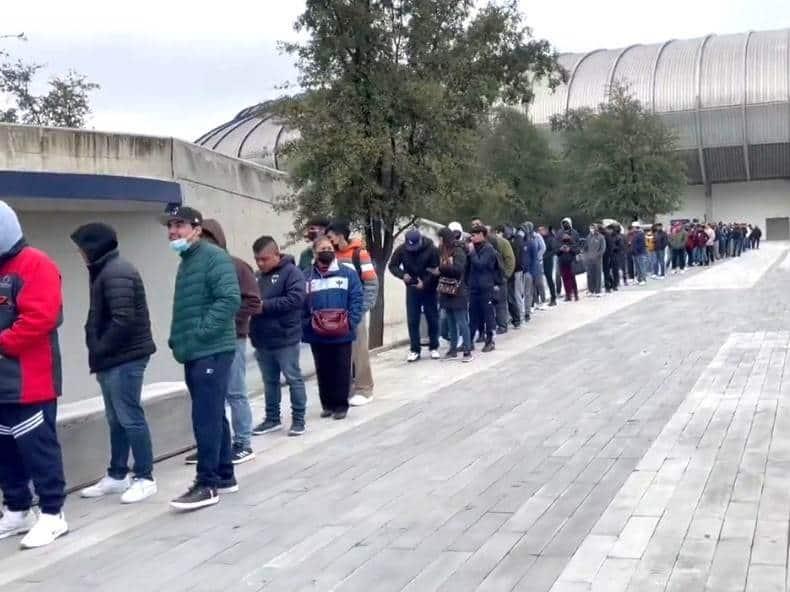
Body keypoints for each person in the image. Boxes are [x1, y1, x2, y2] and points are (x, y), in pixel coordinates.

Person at [71, 223, 158, 504]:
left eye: (81, 248)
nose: (80, 254)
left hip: (125, 358)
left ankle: (145, 477)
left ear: (94, 247)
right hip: (112, 359)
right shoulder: (104, 271)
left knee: (130, 416)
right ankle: (118, 474)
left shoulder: (116, 272)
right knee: (116, 418)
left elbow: (123, 320)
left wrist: (99, 347)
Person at [162, 205, 241, 511]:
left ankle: (206, 484)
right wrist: (178, 338)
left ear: (197, 229)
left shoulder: (213, 257)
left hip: (211, 349)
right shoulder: (188, 261)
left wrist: (200, 333)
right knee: (213, 414)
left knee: (204, 417)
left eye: (179, 225)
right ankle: (225, 475)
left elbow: (229, 299)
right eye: (170, 226)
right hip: (196, 350)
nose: (173, 231)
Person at [0, 201, 68, 549]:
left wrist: (2, 343)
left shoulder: (36, 264)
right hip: (3, 386)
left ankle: (53, 513)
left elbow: (40, 318)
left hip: (31, 381)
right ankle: (17, 508)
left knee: (38, 449)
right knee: (6, 451)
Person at [195, 219, 262, 464]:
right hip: (205, 341)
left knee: (235, 391)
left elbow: (253, 301)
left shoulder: (236, 266)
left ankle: (243, 443)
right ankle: (215, 445)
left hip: (232, 338)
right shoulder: (197, 268)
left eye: (204, 239)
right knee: (212, 395)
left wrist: (227, 319)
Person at [249, 236, 307, 437]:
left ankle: (298, 420)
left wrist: (265, 306)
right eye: (257, 259)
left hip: (285, 337)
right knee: (269, 381)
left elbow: (296, 299)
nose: (260, 263)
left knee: (293, 378)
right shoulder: (257, 276)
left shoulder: (292, 273)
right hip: (262, 338)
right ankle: (272, 418)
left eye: (264, 259)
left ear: (276, 254)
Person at [303, 236, 363, 420]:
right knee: (323, 369)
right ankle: (327, 405)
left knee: (341, 369)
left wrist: (351, 322)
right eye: (322, 249)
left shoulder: (347, 273)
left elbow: (356, 298)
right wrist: (306, 323)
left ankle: (340, 406)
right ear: (315, 253)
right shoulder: (307, 276)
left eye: (329, 248)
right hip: (317, 332)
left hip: (342, 331)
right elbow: (301, 302)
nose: (327, 252)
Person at [326, 221, 378, 407]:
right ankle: (346, 389)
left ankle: (365, 389)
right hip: (337, 311)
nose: (329, 241)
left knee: (359, 351)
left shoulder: (359, 254)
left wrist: (362, 308)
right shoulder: (332, 256)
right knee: (342, 352)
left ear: (340, 236)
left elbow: (371, 282)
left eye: (330, 237)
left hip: (355, 311)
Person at [389, 229, 440, 362]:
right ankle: (414, 349)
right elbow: (392, 266)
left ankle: (434, 346)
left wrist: (425, 283)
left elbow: (436, 270)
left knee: (432, 317)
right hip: (412, 287)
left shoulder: (432, 249)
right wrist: (402, 275)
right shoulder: (402, 249)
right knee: (413, 319)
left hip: (429, 288)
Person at [437, 227, 472, 361]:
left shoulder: (458, 251)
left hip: (458, 291)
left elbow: (458, 270)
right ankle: (452, 349)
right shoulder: (443, 250)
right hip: (446, 290)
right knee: (450, 321)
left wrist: (442, 267)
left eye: (440, 238)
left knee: (461, 321)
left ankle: (467, 350)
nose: (439, 241)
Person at [467, 225, 501, 353]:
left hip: (486, 287)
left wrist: (472, 253)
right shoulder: (473, 248)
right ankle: (469, 342)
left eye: (474, 235)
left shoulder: (488, 249)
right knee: (473, 315)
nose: (472, 238)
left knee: (488, 315)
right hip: (474, 287)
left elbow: (481, 264)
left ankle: (490, 341)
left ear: (482, 234)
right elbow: (468, 267)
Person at [584, 224, 606, 296]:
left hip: (597, 260)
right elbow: (586, 247)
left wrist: (597, 255)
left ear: (596, 228)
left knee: (597, 275)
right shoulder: (588, 237)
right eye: (590, 228)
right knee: (590, 275)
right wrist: (586, 254)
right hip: (589, 259)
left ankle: (598, 291)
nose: (591, 229)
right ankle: (591, 290)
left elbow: (603, 248)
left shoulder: (601, 237)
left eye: (593, 228)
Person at [538, 226, 558, 306]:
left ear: (545, 230)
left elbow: (554, 250)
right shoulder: (541, 239)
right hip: (543, 261)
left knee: (550, 279)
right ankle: (550, 297)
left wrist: (545, 256)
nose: (540, 232)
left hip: (549, 261)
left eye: (541, 230)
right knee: (546, 280)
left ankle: (553, 298)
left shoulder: (550, 239)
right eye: (539, 230)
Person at [557, 235, 579, 301]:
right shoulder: (560, 244)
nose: (565, 240)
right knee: (565, 280)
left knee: (572, 280)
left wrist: (570, 250)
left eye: (566, 239)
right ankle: (568, 295)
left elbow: (576, 251)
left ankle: (575, 294)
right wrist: (560, 250)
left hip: (570, 264)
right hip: (563, 264)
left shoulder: (572, 244)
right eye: (564, 239)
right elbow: (557, 253)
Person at [602, 225, 617, 293]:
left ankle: (608, 287)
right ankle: (612, 285)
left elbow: (610, 247)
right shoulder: (606, 236)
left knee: (607, 272)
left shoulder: (606, 236)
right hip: (607, 256)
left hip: (607, 257)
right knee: (607, 272)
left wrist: (609, 256)